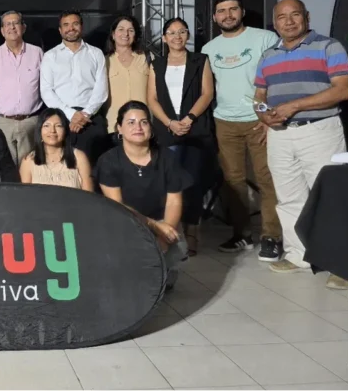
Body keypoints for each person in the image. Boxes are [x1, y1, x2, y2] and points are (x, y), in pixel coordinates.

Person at [254, 0, 348, 284]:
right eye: (281, 17)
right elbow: (259, 96)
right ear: (274, 23)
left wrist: (294, 106)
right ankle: (298, 255)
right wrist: (263, 115)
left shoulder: (328, 47)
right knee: (289, 198)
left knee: (330, 197)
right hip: (280, 135)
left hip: (319, 130)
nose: (289, 21)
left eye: (295, 15)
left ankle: (342, 265)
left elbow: (343, 90)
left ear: (306, 17)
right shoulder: (268, 55)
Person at [201, 0, 283, 260]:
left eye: (232, 9)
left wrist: (270, 116)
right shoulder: (209, 49)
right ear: (215, 17)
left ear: (242, 11)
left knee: (266, 179)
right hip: (225, 122)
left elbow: (278, 79)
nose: (227, 15)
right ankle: (242, 235)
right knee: (233, 182)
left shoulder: (265, 39)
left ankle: (271, 237)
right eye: (221, 11)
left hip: (260, 120)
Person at [95, 101, 189, 289]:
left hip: (162, 221)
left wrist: (165, 234)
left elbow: (174, 202)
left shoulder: (167, 158)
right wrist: (155, 226)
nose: (138, 127)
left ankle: (164, 271)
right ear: (119, 128)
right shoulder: (108, 160)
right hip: (124, 223)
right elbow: (117, 206)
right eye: (130, 122)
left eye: (143, 122)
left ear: (151, 128)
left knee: (177, 247)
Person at [147, 17, 216, 256]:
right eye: (172, 32)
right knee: (169, 183)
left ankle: (193, 233)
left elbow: (207, 94)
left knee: (193, 183)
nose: (177, 36)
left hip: (194, 130)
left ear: (187, 35)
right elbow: (151, 99)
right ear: (164, 38)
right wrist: (169, 123)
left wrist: (188, 119)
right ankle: (169, 233)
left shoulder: (200, 60)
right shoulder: (157, 64)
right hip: (166, 131)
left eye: (182, 32)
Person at [40, 10, 109, 165]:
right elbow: (46, 91)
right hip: (61, 119)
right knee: (62, 167)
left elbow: (101, 90)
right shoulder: (50, 56)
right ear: (60, 30)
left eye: (75, 24)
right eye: (66, 25)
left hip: (91, 118)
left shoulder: (96, 53)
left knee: (94, 167)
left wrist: (84, 115)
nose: (71, 28)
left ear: (82, 27)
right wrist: (71, 115)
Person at [0, 11, 44, 164]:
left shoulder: (37, 53)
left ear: (23, 27)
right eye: (8, 24)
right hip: (2, 122)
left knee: (31, 166)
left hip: (31, 122)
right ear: (2, 30)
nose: (12, 27)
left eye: (16, 23)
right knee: (5, 167)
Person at [19, 108, 93, 190]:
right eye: (46, 126)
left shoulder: (79, 157)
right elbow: (25, 195)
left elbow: (88, 194)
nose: (52, 130)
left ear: (65, 131)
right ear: (39, 131)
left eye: (58, 126)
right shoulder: (28, 161)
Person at [104, 15, 151, 133]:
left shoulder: (147, 58)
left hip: (143, 125)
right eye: (121, 29)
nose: (126, 34)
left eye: (130, 30)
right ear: (113, 34)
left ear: (135, 35)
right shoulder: (104, 61)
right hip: (114, 125)